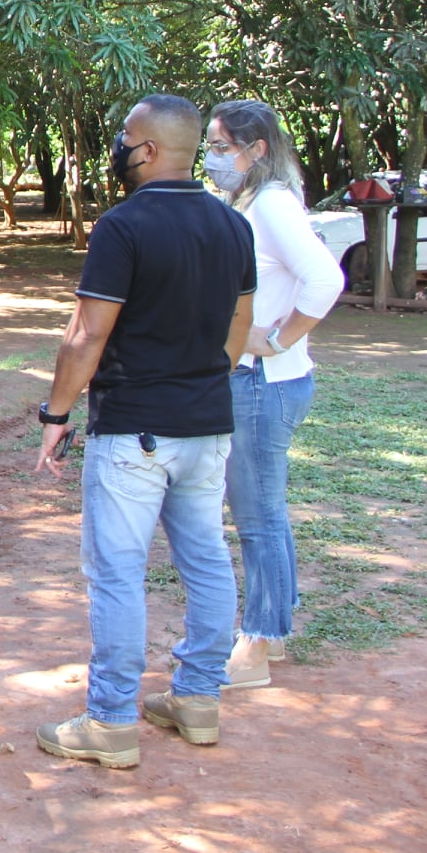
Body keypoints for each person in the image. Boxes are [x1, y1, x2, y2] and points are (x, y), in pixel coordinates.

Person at [33, 94, 255, 768]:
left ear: (150, 150)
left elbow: (86, 334)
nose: (119, 149)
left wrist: (57, 415)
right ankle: (196, 699)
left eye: (126, 138)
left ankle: (109, 722)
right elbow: (237, 333)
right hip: (207, 425)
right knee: (208, 562)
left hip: (133, 431)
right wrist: (198, 383)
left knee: (118, 575)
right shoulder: (231, 226)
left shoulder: (121, 227)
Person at [203, 100, 344, 690]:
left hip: (264, 383)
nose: (211, 157)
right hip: (255, 380)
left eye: (220, 145)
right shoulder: (248, 202)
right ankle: (274, 629)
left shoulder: (274, 204)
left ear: (255, 150)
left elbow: (327, 278)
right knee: (265, 513)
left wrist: (278, 339)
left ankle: (257, 643)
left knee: (258, 518)